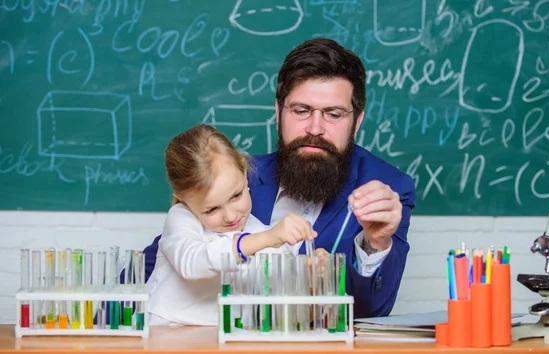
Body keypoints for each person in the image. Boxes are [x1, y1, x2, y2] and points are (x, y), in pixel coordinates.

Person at [143, 38, 416, 319]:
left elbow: (371, 312)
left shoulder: (388, 188)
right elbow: (153, 269)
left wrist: (375, 245)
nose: (315, 128)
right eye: (301, 110)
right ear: (278, 111)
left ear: (356, 121)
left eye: (333, 114)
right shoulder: (237, 177)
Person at [147, 124, 316, 326]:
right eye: (212, 210)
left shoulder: (256, 231)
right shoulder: (182, 218)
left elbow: (279, 293)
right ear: (183, 200)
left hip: (223, 338)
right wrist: (267, 239)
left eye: (236, 196)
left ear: (244, 173)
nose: (230, 216)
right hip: (163, 334)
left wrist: (309, 273)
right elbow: (194, 263)